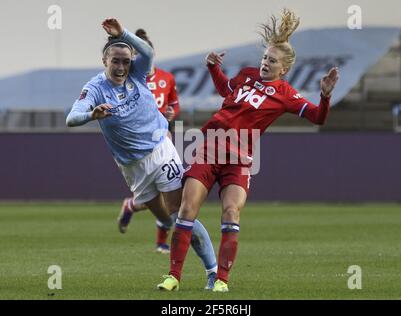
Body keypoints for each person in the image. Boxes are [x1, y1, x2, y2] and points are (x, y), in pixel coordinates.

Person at [157, 9, 339, 292]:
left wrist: (325, 97)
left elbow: (318, 118)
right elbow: (224, 90)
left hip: (240, 158)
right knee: (187, 207)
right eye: (265, 58)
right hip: (208, 147)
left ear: (284, 69)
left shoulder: (286, 94)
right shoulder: (247, 75)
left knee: (231, 212)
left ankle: (221, 281)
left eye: (272, 61)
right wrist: (213, 68)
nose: (266, 63)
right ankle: (173, 277)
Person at [66, 18, 217, 290]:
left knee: (181, 212)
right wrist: (91, 114)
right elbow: (71, 118)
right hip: (132, 168)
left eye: (126, 61)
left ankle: (213, 272)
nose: (122, 66)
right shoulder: (95, 88)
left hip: (160, 149)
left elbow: (147, 52)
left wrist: (123, 33)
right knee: (166, 219)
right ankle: (156, 223)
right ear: (104, 61)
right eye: (116, 61)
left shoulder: (138, 73)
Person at [117, 29, 181, 256]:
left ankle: (160, 240)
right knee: (159, 194)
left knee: (170, 190)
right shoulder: (129, 81)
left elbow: (174, 103)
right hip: (138, 144)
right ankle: (134, 206)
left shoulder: (167, 78)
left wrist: (173, 113)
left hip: (162, 136)